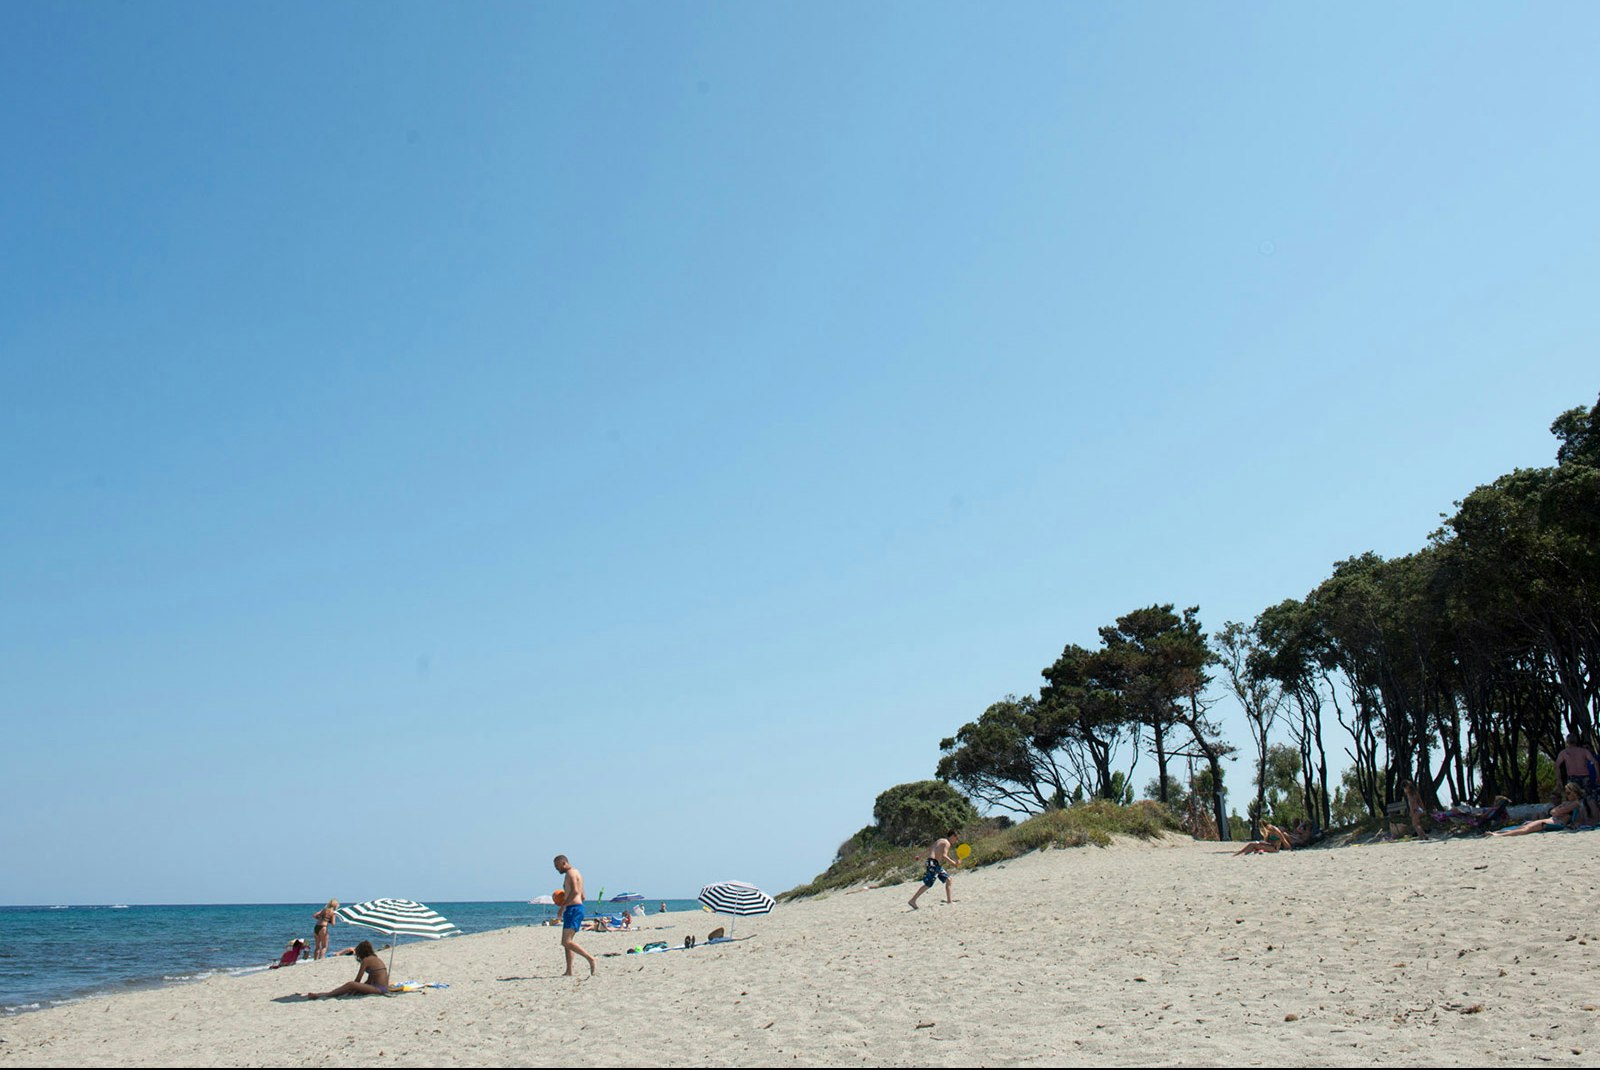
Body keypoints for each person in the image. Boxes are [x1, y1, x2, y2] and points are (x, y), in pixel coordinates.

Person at [554, 855, 597, 977]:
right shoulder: (577, 873)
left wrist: (563, 906)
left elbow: (575, 892)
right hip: (575, 908)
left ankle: (591, 959)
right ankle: (569, 971)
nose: (557, 869)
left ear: (563, 863)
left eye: (557, 866)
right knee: (568, 943)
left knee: (566, 942)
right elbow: (583, 895)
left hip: (574, 909)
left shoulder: (570, 874)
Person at [1490, 784, 1584, 837]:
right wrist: (1558, 810)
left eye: (1568, 793)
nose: (1567, 795)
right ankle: (1498, 833)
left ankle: (1498, 835)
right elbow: (1553, 811)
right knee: (1523, 827)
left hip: (1557, 822)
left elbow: (1556, 811)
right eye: (1566, 793)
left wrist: (1558, 809)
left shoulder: (1576, 803)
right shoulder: (1568, 802)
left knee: (1526, 829)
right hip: (1553, 819)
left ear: (1575, 793)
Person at [305, 940, 389, 998]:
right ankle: (322, 994)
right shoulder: (375, 958)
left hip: (379, 989)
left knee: (350, 984)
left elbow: (358, 979)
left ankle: (325, 995)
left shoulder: (366, 960)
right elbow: (371, 979)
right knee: (352, 987)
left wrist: (355, 987)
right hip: (383, 988)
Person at [907, 830, 960, 910]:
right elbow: (944, 856)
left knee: (948, 879)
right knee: (928, 884)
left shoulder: (940, 840)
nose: (957, 840)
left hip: (933, 864)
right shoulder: (947, 843)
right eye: (956, 838)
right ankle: (912, 900)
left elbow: (930, 848)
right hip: (933, 864)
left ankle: (949, 901)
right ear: (952, 836)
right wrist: (954, 863)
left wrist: (920, 856)